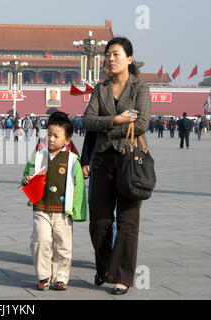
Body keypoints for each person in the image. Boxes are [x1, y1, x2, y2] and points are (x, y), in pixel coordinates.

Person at [82, 37, 151, 295]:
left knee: (128, 221)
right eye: (108, 54)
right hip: (102, 160)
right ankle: (104, 266)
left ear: (129, 60)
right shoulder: (99, 89)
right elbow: (87, 121)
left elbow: (142, 123)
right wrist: (118, 119)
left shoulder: (140, 89)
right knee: (99, 220)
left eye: (117, 54)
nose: (111, 59)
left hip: (130, 160)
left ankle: (122, 276)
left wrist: (107, 126)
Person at [22, 115, 86, 291]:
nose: (50, 139)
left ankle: (60, 277)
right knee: (40, 240)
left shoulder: (72, 160)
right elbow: (27, 174)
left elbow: (79, 186)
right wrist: (27, 180)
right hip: (41, 207)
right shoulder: (38, 156)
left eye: (56, 136)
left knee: (63, 245)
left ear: (67, 140)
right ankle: (43, 276)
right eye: (49, 134)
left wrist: (78, 210)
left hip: (63, 211)